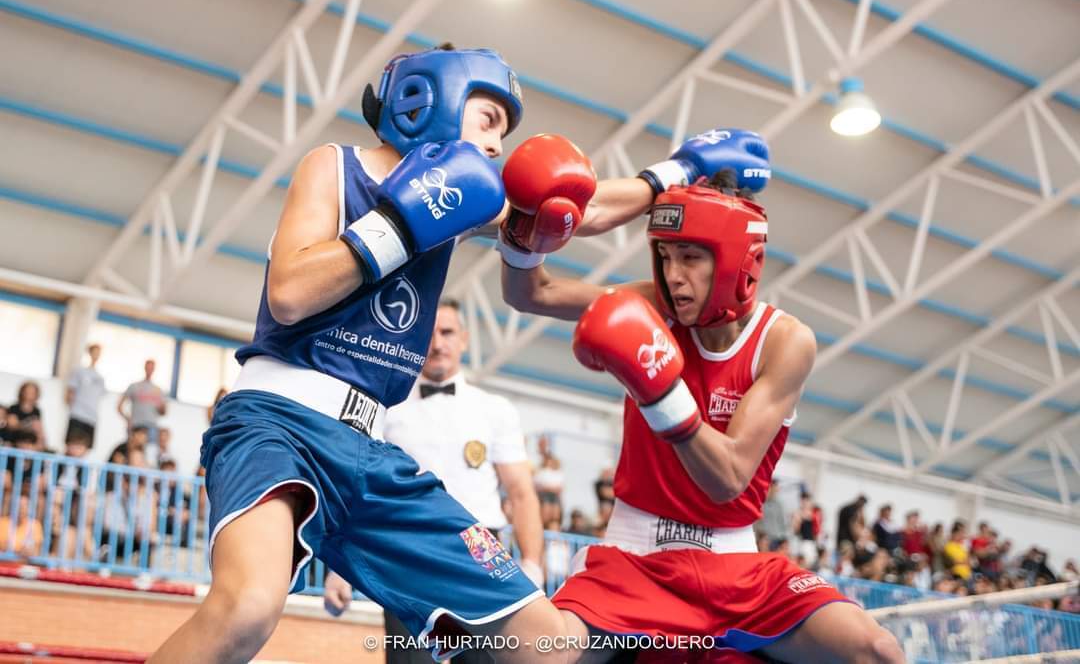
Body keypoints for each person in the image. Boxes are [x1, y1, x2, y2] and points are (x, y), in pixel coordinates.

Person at [149, 44, 720, 663]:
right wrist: (401, 222)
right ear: (430, 100)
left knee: (545, 647)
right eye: (489, 121)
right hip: (277, 421)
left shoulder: (472, 198)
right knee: (246, 609)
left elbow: (581, 205)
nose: (499, 146)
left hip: (372, 452)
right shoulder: (336, 168)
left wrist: (678, 169)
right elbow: (289, 294)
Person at [502, 166, 903, 662]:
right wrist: (522, 230)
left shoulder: (784, 341)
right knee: (538, 654)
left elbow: (728, 477)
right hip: (636, 559)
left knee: (877, 650)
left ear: (736, 259)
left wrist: (658, 390)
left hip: (735, 570)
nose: (673, 275)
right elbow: (532, 293)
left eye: (690, 257)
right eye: (666, 256)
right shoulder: (653, 306)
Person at [323, 297, 546, 662]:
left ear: (464, 339)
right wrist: (340, 569)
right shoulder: (384, 409)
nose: (438, 343)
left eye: (447, 332)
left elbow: (522, 493)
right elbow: (355, 489)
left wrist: (533, 564)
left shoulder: (495, 410)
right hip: (407, 550)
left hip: (482, 548)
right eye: (429, 333)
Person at [118, 359, 167, 456]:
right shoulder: (134, 386)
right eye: (148, 366)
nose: (150, 369)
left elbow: (163, 412)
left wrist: (161, 404)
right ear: (144, 367)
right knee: (132, 453)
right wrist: (128, 419)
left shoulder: (159, 390)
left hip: (151, 427)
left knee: (150, 455)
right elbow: (119, 406)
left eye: (152, 367)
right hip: (136, 425)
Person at [64, 343, 107, 448]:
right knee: (72, 444)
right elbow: (70, 392)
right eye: (95, 352)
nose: (96, 355)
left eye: (99, 353)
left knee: (86, 447)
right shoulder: (79, 371)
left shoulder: (100, 378)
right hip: (78, 414)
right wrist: (72, 407)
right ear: (90, 353)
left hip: (91, 417)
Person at [4, 380, 44, 450]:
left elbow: (39, 430)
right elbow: (12, 425)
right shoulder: (14, 408)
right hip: (13, 443)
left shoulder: (37, 411)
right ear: (22, 392)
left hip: (29, 445)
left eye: (32, 392)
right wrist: (29, 426)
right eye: (27, 391)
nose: (29, 394)